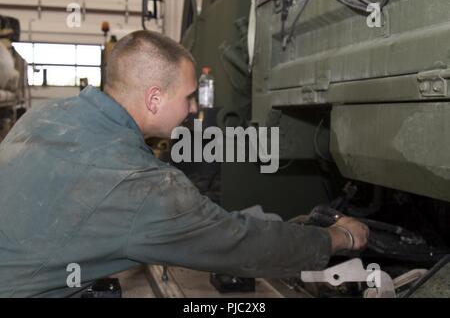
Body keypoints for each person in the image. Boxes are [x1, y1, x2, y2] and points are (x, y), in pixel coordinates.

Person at [0, 30, 369, 297]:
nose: (194, 109)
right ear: (155, 98)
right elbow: (238, 245)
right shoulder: (139, 182)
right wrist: (337, 237)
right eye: (190, 97)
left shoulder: (46, 115)